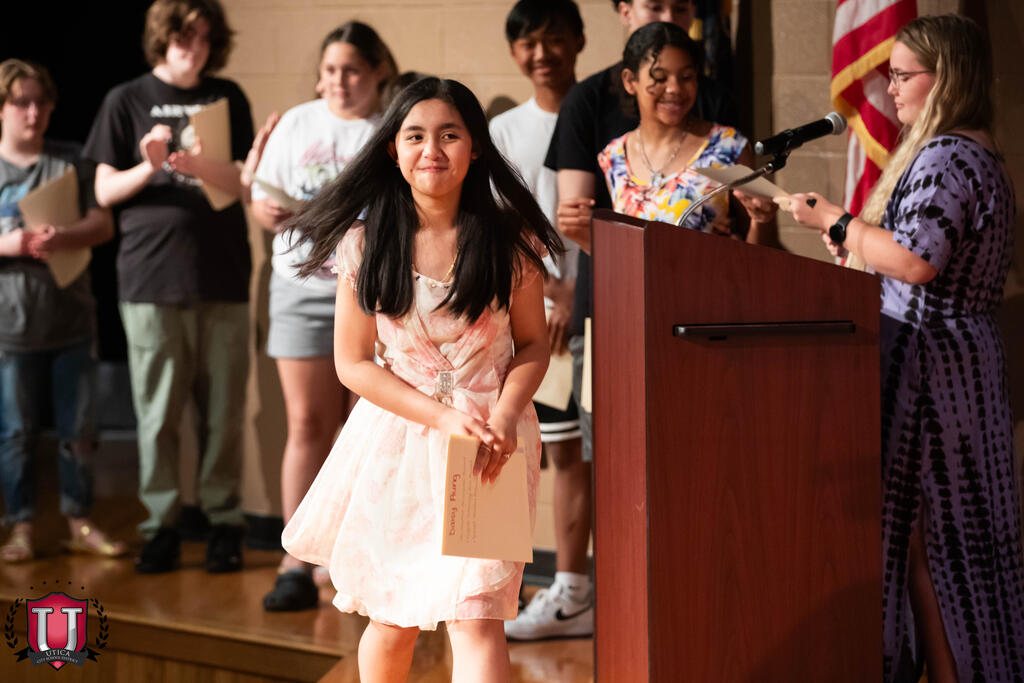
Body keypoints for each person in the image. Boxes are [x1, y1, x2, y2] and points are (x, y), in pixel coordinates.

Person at [280, 77, 563, 682]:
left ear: (475, 147)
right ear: (393, 149)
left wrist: (503, 415)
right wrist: (441, 416)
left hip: (490, 445)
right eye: (415, 136)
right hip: (399, 440)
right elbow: (353, 363)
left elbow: (535, 345)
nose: (431, 149)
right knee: (393, 619)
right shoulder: (365, 243)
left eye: (449, 135)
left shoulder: (509, 241)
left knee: (477, 618)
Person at [787, 14, 1024, 682]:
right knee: (948, 542)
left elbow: (917, 260)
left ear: (945, 78)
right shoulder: (980, 152)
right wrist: (860, 240)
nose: (889, 89)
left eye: (902, 76)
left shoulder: (947, 156)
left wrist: (838, 220)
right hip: (958, 360)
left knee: (934, 543)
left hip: (932, 368)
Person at [83, 0, 255, 574]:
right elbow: (104, 191)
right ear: (163, 38)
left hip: (223, 275)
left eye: (204, 39)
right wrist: (153, 165)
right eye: (184, 37)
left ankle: (223, 522)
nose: (194, 49)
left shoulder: (227, 96)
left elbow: (246, 183)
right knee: (157, 415)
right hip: (150, 280)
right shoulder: (126, 98)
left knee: (223, 413)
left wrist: (199, 166)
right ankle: (161, 525)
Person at [250, 21, 397, 612]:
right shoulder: (295, 122)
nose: (340, 80)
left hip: (367, 292)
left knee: (363, 430)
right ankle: (297, 558)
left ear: (377, 72)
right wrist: (266, 210)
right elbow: (263, 200)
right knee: (307, 422)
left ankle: (350, 557)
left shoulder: (388, 129)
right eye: (331, 69)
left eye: (353, 69)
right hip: (300, 287)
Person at [488, 0, 594, 640]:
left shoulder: (603, 112)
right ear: (513, 52)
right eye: (528, 42)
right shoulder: (503, 131)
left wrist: (578, 292)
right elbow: (501, 228)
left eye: (555, 39)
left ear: (579, 40)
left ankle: (581, 586)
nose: (542, 53)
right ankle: (530, 585)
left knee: (592, 452)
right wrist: (548, 293)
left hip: (599, 305)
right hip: (534, 313)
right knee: (536, 450)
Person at [0, 59, 125, 562]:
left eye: (41, 103)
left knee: (79, 433)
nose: (33, 113)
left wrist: (64, 237)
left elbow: (103, 224)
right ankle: (21, 527)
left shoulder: (72, 160)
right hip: (10, 329)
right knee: (15, 434)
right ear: (3, 108)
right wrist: (10, 244)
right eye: (21, 103)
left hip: (71, 321)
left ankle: (79, 522)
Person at [598, 22, 777, 235]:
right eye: (660, 78)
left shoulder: (727, 146)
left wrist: (761, 220)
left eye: (686, 77)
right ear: (630, 81)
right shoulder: (614, 156)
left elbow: (759, 247)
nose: (674, 89)